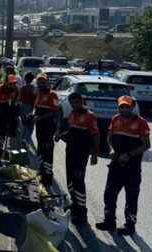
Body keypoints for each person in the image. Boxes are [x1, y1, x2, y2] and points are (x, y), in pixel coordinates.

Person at [95, 96, 151, 236]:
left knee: (131, 198)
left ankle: (130, 225)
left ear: (132, 107)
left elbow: (146, 144)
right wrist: (111, 149)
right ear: (118, 107)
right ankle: (109, 221)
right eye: (122, 107)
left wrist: (130, 155)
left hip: (132, 168)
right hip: (115, 166)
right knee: (109, 194)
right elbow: (109, 138)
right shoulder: (115, 119)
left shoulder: (141, 123)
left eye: (127, 107)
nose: (124, 109)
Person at [55, 92, 99, 223]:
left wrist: (94, 155)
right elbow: (72, 131)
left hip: (81, 154)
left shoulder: (90, 116)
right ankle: (74, 204)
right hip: (70, 152)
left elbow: (96, 136)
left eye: (77, 102)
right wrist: (61, 135)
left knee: (78, 182)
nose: (75, 105)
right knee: (70, 180)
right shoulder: (72, 114)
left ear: (82, 101)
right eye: (72, 103)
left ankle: (81, 212)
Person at [28, 73, 59, 188]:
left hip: (48, 128)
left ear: (47, 82)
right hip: (39, 128)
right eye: (39, 82)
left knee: (47, 153)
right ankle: (42, 172)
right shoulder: (39, 94)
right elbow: (36, 108)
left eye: (43, 82)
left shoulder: (52, 95)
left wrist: (39, 118)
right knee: (40, 150)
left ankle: (48, 178)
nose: (41, 84)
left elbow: (54, 112)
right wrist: (31, 114)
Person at [0, 74, 20, 167]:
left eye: (14, 83)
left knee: (2, 135)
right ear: (6, 82)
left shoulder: (15, 89)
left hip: (6, 108)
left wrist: (13, 103)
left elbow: (17, 92)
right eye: (11, 83)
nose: (13, 85)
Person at [19, 72, 36, 148]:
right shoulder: (33, 88)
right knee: (30, 126)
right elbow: (35, 99)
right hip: (30, 107)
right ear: (32, 79)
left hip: (22, 106)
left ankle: (23, 140)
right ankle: (26, 140)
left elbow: (19, 98)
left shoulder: (21, 88)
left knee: (25, 125)